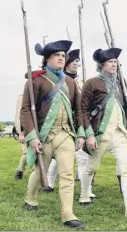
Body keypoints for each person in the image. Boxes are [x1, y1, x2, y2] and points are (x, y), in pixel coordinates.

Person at [20, 40, 85, 228]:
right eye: (57, 55)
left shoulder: (71, 83)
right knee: (41, 171)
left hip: (66, 133)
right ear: (47, 58)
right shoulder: (36, 80)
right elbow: (25, 110)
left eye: (63, 56)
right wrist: (32, 136)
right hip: (44, 134)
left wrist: (80, 133)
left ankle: (68, 214)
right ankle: (30, 198)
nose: (61, 58)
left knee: (67, 174)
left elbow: (78, 110)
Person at [79, 47, 127, 219]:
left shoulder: (121, 82)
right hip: (100, 133)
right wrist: (88, 134)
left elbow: (125, 107)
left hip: (120, 133)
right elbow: (82, 110)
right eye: (110, 61)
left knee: (126, 170)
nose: (114, 64)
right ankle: (84, 194)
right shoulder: (92, 83)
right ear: (102, 64)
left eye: (115, 61)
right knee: (91, 168)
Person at [45, 48, 97, 199]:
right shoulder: (59, 79)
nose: (76, 64)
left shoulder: (81, 80)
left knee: (82, 156)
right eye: (74, 62)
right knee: (57, 156)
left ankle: (85, 190)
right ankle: (49, 182)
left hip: (78, 119)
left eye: (78, 62)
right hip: (63, 120)